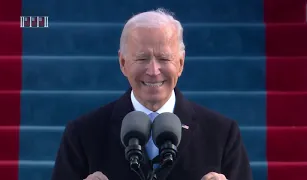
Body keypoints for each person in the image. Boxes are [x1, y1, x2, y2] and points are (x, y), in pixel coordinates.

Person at [51, 8, 253, 180]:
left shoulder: (222, 134)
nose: (154, 70)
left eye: (164, 58)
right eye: (142, 58)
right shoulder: (82, 134)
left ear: (180, 64)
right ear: (123, 63)